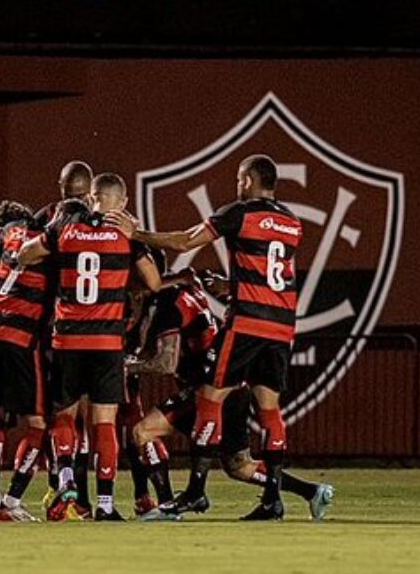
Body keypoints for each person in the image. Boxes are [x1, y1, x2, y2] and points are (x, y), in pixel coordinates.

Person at [107, 154, 302, 520]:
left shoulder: (239, 213)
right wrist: (232, 286)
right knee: (270, 409)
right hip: (282, 324)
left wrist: (138, 234)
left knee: (210, 396)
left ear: (247, 180)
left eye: (238, 179)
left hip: (247, 323)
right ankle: (273, 501)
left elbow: (183, 242)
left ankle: (195, 492)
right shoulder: (292, 222)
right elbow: (276, 275)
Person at [18, 172, 162, 521]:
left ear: (91, 197)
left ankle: (66, 475)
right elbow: (155, 283)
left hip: (68, 338)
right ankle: (107, 506)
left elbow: (24, 255)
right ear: (123, 202)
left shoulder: (66, 227)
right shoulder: (127, 237)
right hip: (108, 341)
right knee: (105, 422)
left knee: (65, 415)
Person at [0, 200, 52, 521]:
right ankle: (12, 500)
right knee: (38, 424)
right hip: (20, 339)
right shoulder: (51, 243)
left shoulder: (10, 232)